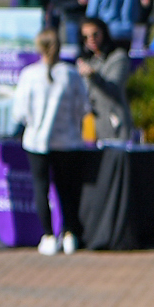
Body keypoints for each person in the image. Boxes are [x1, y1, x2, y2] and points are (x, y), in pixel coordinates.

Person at [11, 27, 92, 255]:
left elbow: (19, 112)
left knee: (41, 188)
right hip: (68, 141)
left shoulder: (29, 75)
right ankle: (69, 233)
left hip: (37, 142)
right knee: (68, 189)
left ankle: (47, 235)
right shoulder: (71, 74)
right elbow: (83, 108)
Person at [77, 17, 134, 141]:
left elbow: (114, 89)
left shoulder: (118, 58)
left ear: (104, 33)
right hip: (90, 126)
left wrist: (93, 75)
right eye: (86, 37)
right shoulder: (87, 60)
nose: (91, 40)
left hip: (113, 124)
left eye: (95, 34)